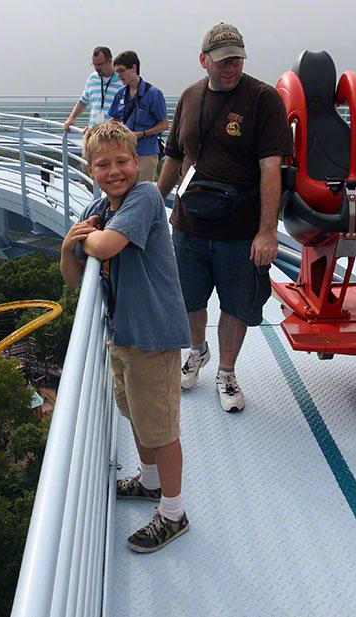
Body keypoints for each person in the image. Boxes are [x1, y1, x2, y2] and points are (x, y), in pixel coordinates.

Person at [60, 120, 191, 553]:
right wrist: (67, 248)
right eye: (103, 164)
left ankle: (173, 513)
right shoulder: (98, 208)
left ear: (138, 162)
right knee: (136, 414)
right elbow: (75, 278)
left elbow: (105, 247)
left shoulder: (145, 196)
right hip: (123, 334)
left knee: (160, 428)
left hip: (153, 334)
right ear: (90, 168)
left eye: (122, 161)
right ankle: (151, 483)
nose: (114, 170)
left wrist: (87, 239)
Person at [157, 23, 293, 413]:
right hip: (190, 223)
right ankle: (197, 351)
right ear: (204, 61)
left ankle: (227, 372)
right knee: (188, 299)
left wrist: (267, 232)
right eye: (222, 60)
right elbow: (175, 157)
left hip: (240, 228)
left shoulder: (263, 100)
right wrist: (155, 200)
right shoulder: (189, 97)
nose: (231, 67)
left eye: (237, 58)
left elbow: (272, 170)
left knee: (236, 306)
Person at [108, 51, 169, 182]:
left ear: (134, 68)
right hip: (125, 152)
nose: (119, 76)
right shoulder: (121, 94)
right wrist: (97, 129)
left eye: (121, 71)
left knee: (141, 194)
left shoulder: (153, 93)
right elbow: (115, 118)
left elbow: (164, 124)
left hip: (146, 152)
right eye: (117, 72)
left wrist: (143, 133)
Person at [64, 46, 122, 132]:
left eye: (99, 64)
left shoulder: (121, 81)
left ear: (110, 61)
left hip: (113, 136)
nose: (96, 68)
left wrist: (103, 128)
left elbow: (124, 112)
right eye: (94, 64)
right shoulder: (92, 78)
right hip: (94, 135)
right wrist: (71, 117)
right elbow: (83, 101)